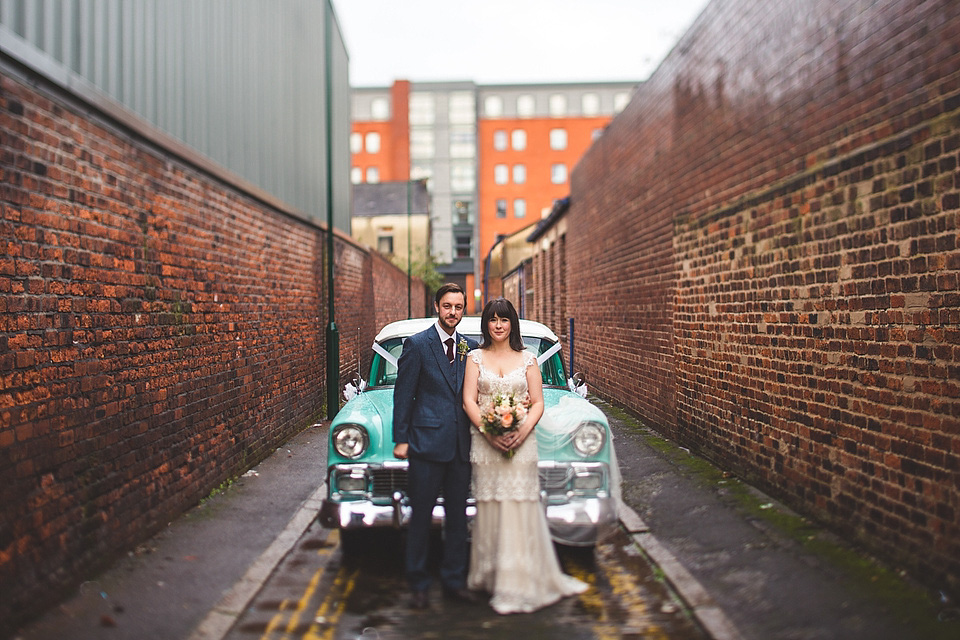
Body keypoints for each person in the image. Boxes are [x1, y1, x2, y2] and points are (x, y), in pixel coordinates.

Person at [462, 297, 587, 614]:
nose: (499, 326)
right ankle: (490, 575)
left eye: (504, 320)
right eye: (493, 320)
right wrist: (489, 432)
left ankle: (518, 582)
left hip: (521, 444)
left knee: (519, 508)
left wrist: (522, 430)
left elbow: (538, 403)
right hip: (485, 443)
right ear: (486, 324)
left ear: (512, 324)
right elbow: (469, 401)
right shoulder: (475, 358)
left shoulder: (528, 359)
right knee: (491, 509)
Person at [392, 283, 480, 609]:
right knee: (421, 518)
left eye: (458, 307)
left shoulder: (470, 348)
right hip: (425, 445)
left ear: (463, 309)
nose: (452, 312)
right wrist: (400, 438)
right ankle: (418, 583)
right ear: (436, 306)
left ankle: (454, 581)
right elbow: (403, 395)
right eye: (447, 306)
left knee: (457, 519)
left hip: (460, 447)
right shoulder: (416, 345)